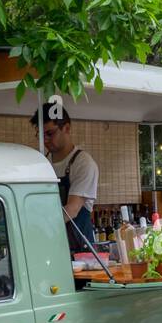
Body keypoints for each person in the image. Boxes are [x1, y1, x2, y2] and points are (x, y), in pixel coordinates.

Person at [33, 102, 98, 248]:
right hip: (50, 246)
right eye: (41, 135)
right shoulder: (42, 164)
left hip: (79, 250)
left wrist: (38, 231)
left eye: (50, 133)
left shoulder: (83, 163)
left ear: (67, 128)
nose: (45, 140)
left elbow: (72, 210)